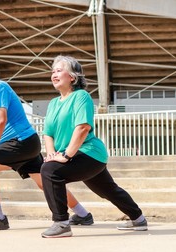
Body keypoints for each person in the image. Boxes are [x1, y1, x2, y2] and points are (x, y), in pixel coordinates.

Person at [0, 54, 93, 231]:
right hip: (25, 143)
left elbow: (0, 120)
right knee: (44, 181)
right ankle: (82, 214)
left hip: (20, 142)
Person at [40, 55, 147, 238]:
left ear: (72, 77)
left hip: (89, 153)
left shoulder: (81, 97)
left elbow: (82, 128)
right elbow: (48, 133)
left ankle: (62, 223)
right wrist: (51, 154)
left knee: (50, 171)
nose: (54, 75)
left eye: (59, 71)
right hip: (73, 154)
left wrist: (65, 156)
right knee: (108, 190)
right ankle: (138, 219)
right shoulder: (53, 104)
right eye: (53, 72)